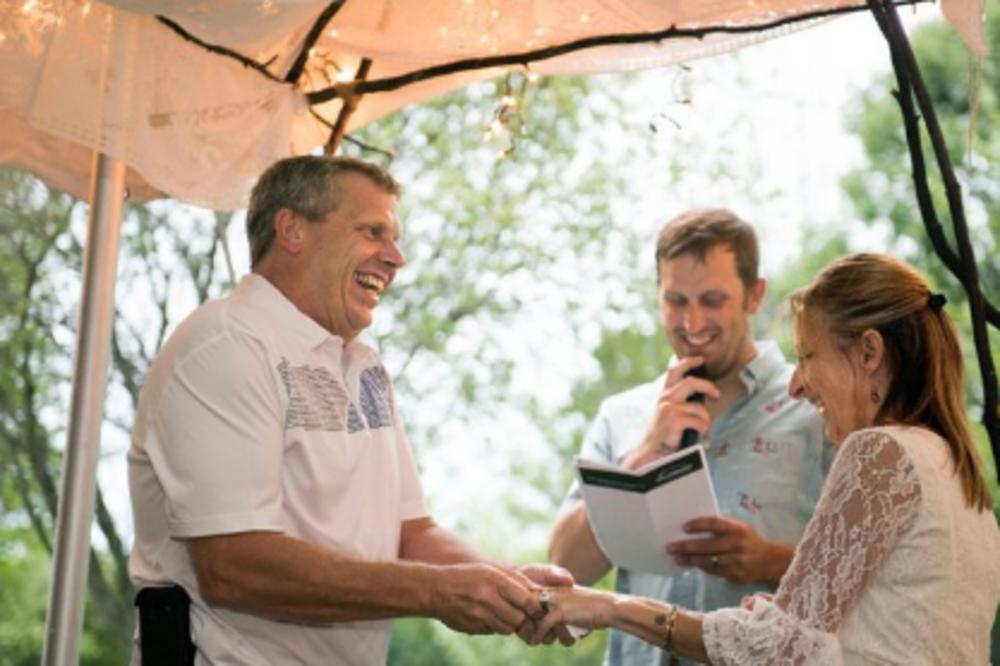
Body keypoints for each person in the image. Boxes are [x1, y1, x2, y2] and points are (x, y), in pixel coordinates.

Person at [127, 155, 571, 665]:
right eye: (372, 232)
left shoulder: (363, 366)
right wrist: (437, 592)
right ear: (292, 230)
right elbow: (235, 565)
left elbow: (411, 532)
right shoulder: (227, 346)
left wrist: (506, 584)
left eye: (395, 237)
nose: (396, 257)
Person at [533, 253, 1000, 664]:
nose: (796, 385)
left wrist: (611, 608)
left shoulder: (881, 452)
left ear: (869, 352)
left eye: (807, 355)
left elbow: (776, 649)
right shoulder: (961, 477)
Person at [548, 208, 829, 665]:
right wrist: (646, 453)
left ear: (754, 295)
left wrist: (771, 561)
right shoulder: (621, 415)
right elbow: (565, 568)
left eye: (712, 300)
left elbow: (876, 576)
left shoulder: (817, 406)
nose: (692, 322)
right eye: (675, 301)